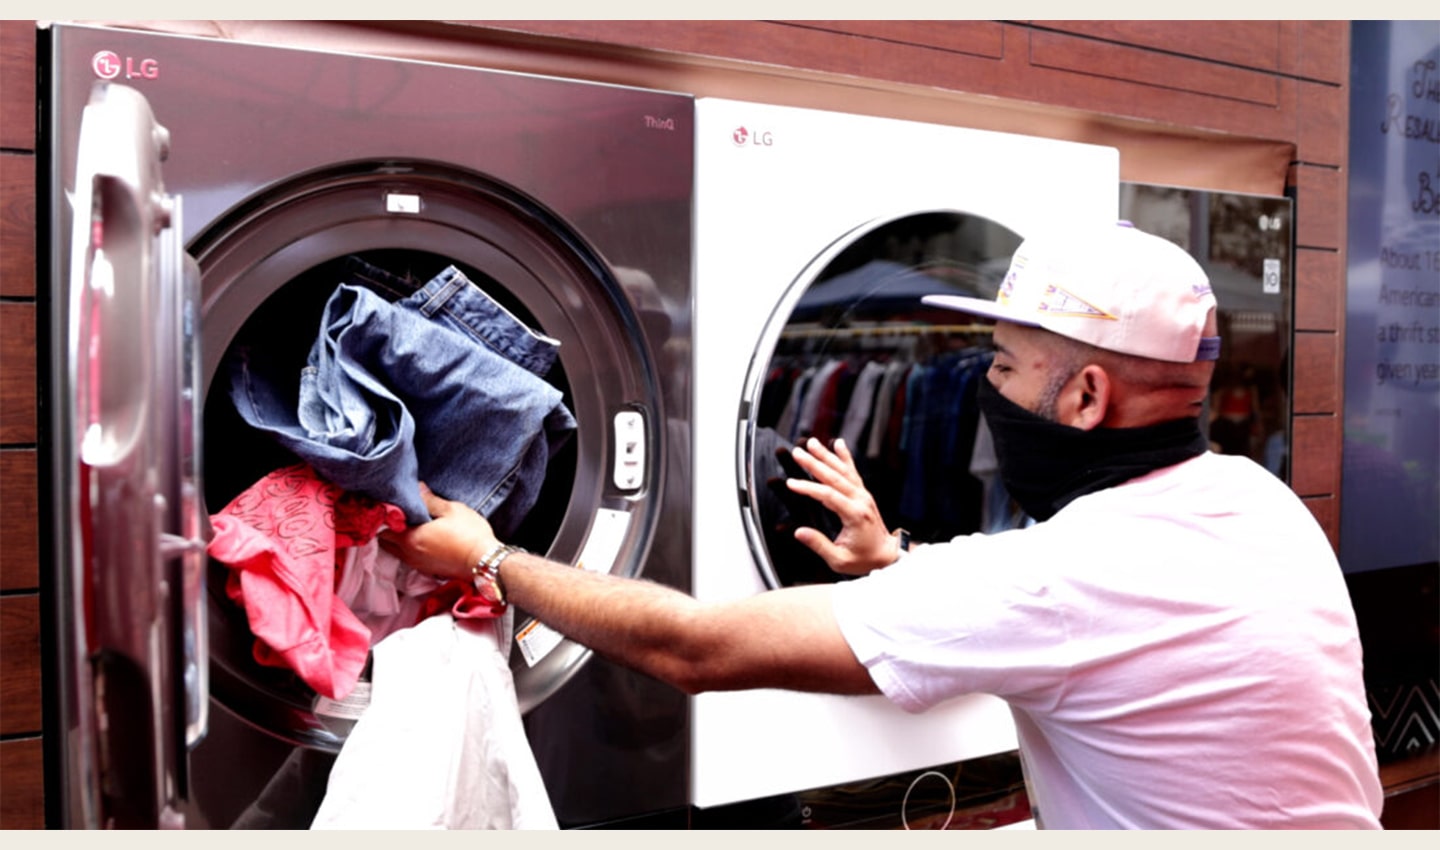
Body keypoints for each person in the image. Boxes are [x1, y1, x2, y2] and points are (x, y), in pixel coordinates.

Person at [380, 221, 1384, 829]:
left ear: (1083, 395)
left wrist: (492, 554)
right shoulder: (1260, 502)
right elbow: (1095, 611)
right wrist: (898, 559)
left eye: (1001, 368)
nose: (982, 387)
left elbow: (691, 646)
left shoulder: (1053, 582)